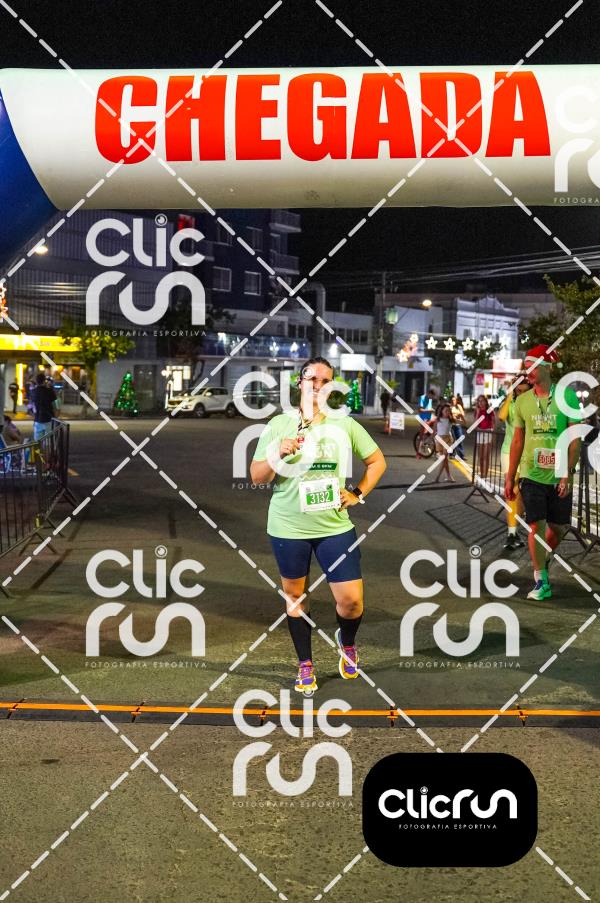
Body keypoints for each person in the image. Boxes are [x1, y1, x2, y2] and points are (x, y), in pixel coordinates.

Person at [250, 356, 387, 695]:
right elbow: (257, 477)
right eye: (312, 378)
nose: (318, 385)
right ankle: (305, 664)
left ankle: (347, 641)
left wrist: (356, 493)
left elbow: (376, 462)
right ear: (300, 382)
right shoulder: (279, 424)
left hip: (334, 526)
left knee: (351, 602)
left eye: (326, 381)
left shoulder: (344, 425)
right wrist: (277, 453)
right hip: (288, 526)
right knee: (296, 597)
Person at [505, 345, 582, 601]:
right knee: (536, 524)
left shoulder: (567, 396)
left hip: (559, 473)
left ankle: (543, 559)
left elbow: (574, 438)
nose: (527, 371)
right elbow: (517, 441)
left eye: (532, 366)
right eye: (526, 367)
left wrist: (567, 473)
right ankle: (541, 580)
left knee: (558, 528)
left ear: (547, 367)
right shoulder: (522, 401)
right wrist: (510, 476)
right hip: (532, 473)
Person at [498, 377, 530, 551]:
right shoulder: (511, 405)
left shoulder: (535, 406)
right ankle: (511, 533)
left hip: (528, 455)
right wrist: (510, 394)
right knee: (512, 492)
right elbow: (501, 416)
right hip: (509, 452)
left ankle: (515, 530)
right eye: (519, 390)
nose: (522, 394)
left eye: (525, 391)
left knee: (522, 496)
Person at [431, 403, 455, 482]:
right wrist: (431, 440)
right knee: (444, 460)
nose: (448, 412)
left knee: (444, 458)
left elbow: (463, 423)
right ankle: (448, 476)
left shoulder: (451, 420)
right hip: (439, 440)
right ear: (442, 411)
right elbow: (434, 431)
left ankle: (437, 477)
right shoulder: (437, 420)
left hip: (448, 439)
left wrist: (461, 417)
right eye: (446, 410)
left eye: (449, 411)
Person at [31, 372, 58, 440]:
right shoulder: (50, 391)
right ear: (44, 381)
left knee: (38, 442)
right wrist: (56, 417)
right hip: (49, 419)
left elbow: (33, 407)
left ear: (36, 381)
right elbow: (54, 406)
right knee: (48, 442)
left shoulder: (33, 392)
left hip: (38, 419)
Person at [474, 394, 495, 479]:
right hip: (479, 432)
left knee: (486, 456)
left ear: (486, 402)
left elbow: (493, 422)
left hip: (488, 432)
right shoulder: (477, 411)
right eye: (479, 401)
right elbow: (475, 425)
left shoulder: (489, 410)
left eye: (482, 401)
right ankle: (482, 473)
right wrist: (477, 412)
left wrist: (492, 432)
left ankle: (485, 475)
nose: (480, 403)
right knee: (481, 456)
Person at [416, 388, 436, 458]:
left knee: (437, 423)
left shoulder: (430, 399)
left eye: (433, 397)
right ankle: (418, 453)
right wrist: (429, 410)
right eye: (431, 396)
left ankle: (429, 439)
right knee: (422, 436)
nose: (432, 398)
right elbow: (420, 410)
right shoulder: (422, 398)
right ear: (429, 393)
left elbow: (429, 408)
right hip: (423, 418)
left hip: (429, 417)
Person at [449, 394, 466, 460]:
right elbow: (449, 416)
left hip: (458, 425)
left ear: (456, 401)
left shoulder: (458, 406)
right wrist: (456, 415)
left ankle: (462, 455)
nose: (453, 401)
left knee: (460, 439)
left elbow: (462, 414)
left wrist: (456, 414)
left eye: (454, 400)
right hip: (451, 425)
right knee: (452, 440)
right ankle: (451, 454)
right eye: (452, 400)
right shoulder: (449, 407)